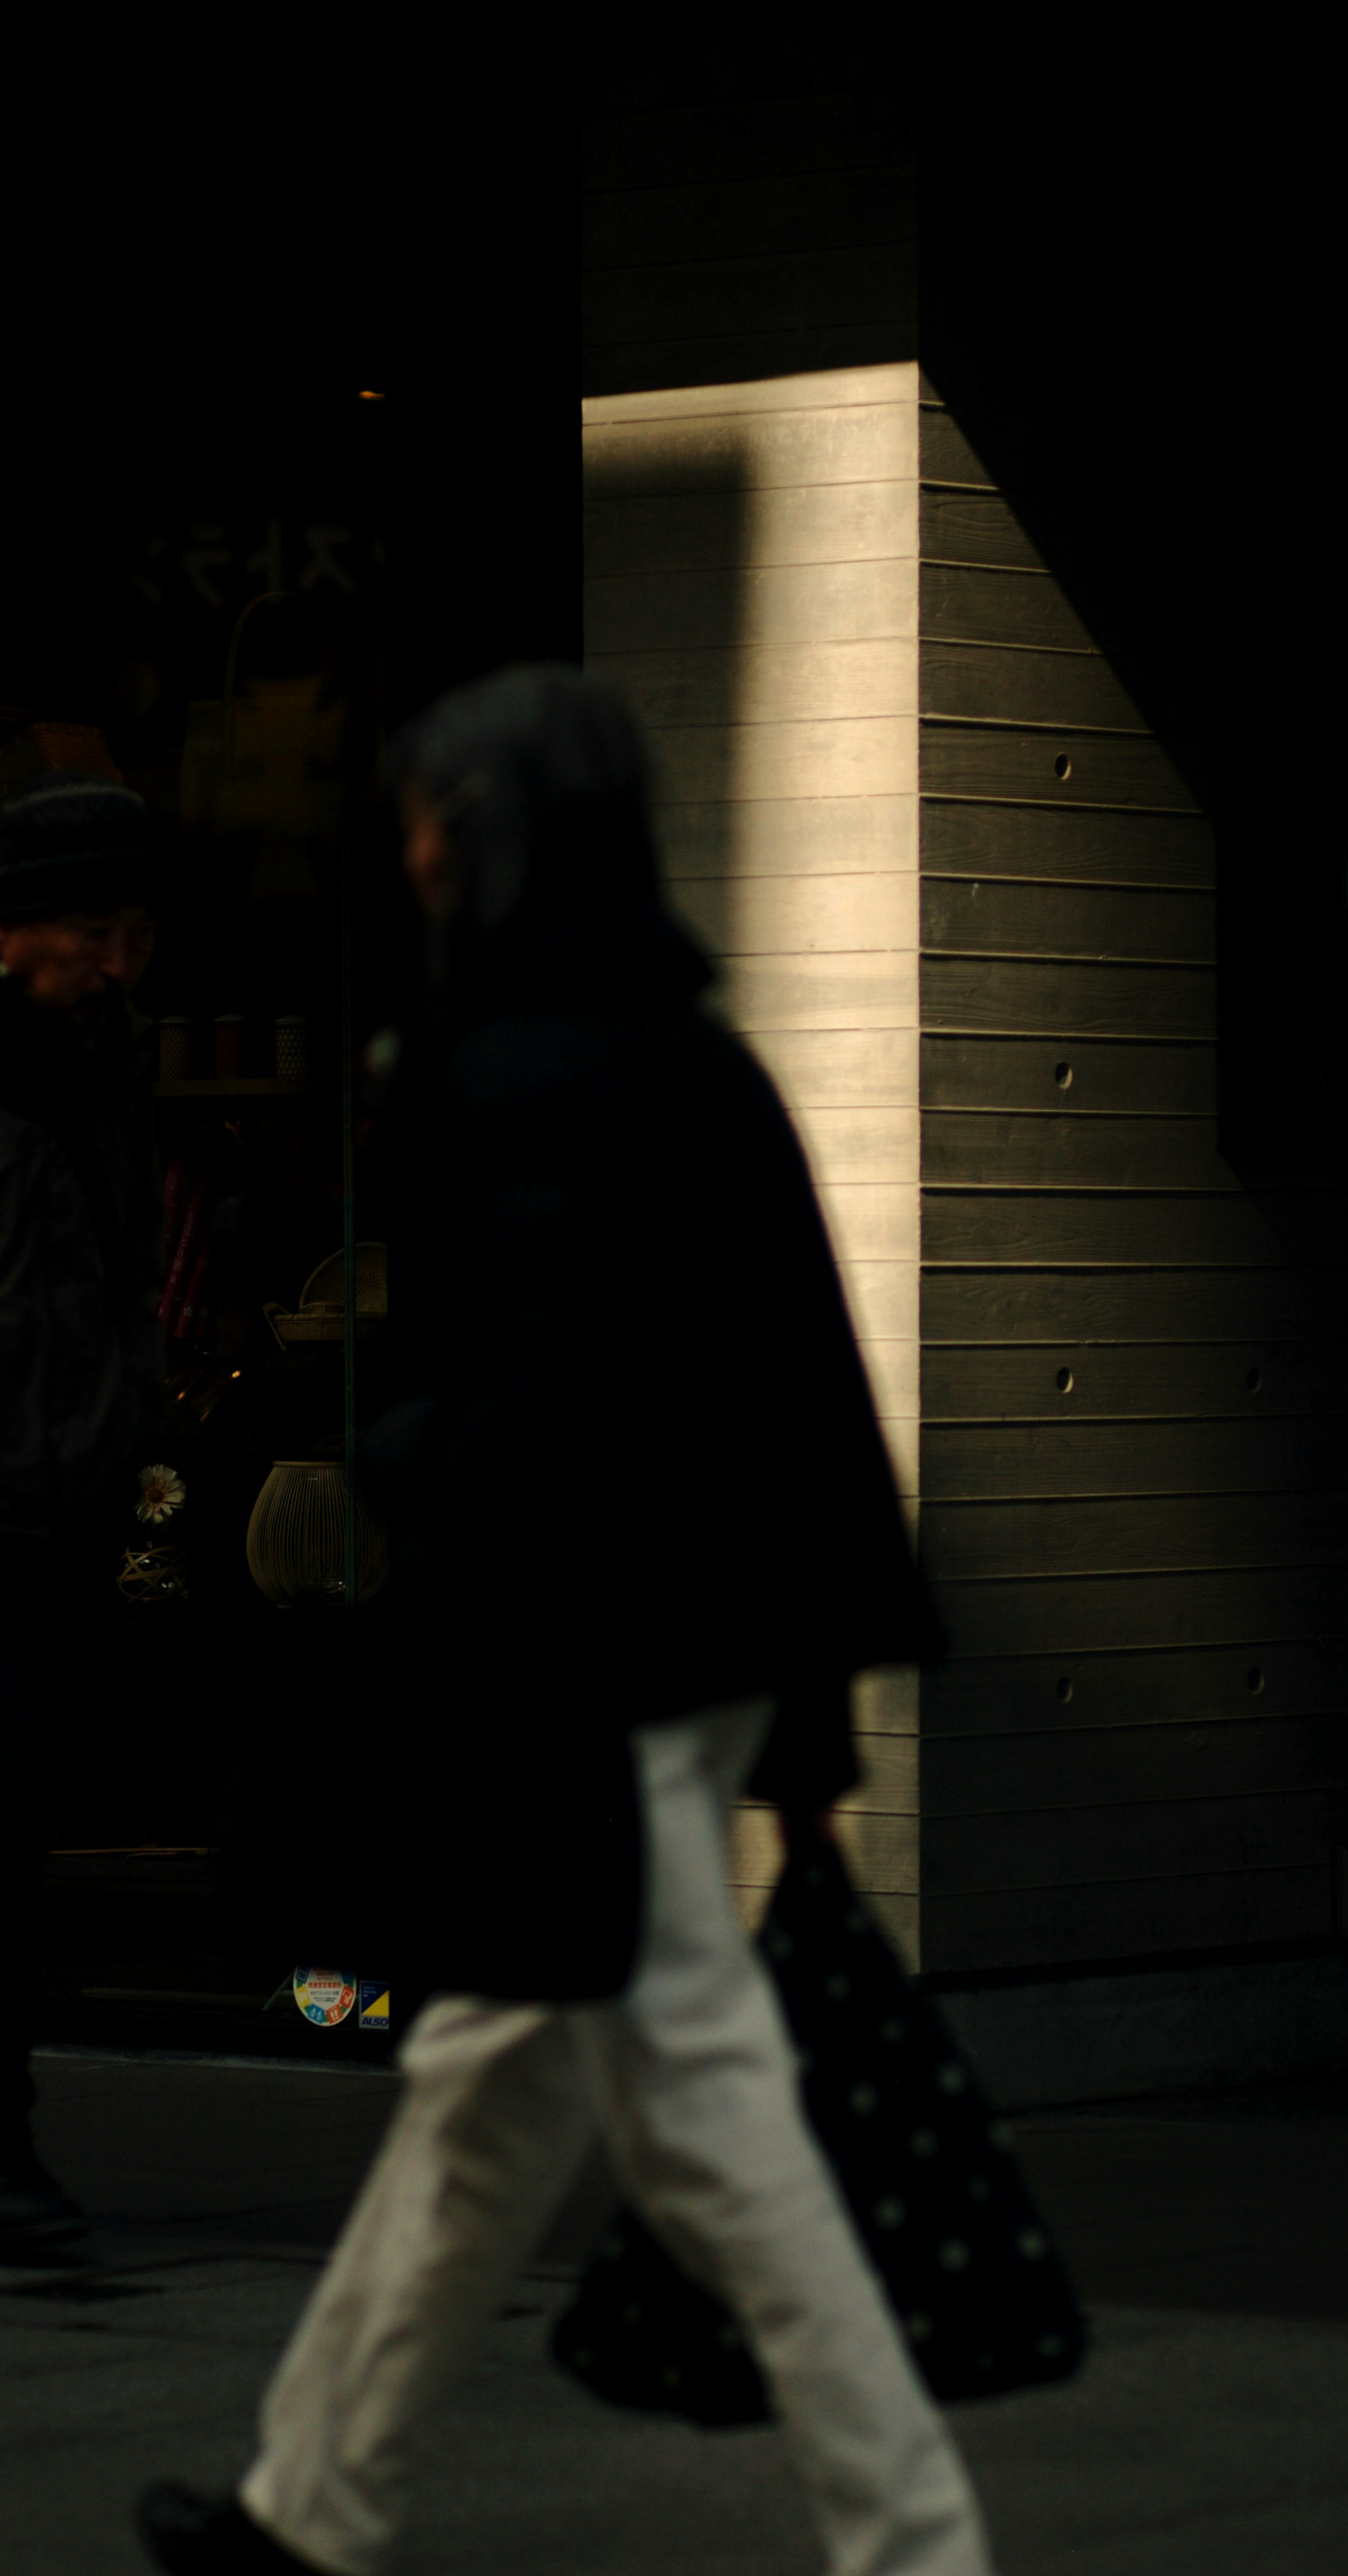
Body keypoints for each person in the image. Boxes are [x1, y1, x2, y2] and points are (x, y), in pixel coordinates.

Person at [139, 667, 997, 2576]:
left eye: (445, 807)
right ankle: (309, 2506)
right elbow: (801, 1416)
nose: (419, 840)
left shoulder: (515, 1068)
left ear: (510, 831)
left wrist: (397, 1461)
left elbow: (542, 1400)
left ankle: (918, 2543)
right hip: (674, 1671)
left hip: (571, 1678)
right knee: (482, 2104)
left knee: (711, 2129)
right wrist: (809, 1742)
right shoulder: (695, 1064)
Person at [0, 771, 165, 2257]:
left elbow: (116, 1267)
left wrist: (122, 1426)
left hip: (52, 1520)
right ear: (15, 928)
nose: (120, 963)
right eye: (99, 932)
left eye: (135, 937)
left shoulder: (102, 1061)